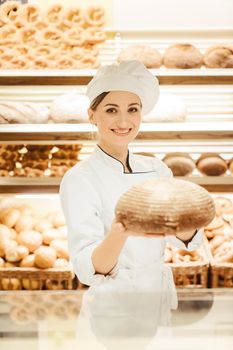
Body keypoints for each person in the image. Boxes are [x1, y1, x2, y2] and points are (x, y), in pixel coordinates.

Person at [59, 60, 204, 339]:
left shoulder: (158, 169)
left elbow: (183, 240)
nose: (124, 122)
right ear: (92, 114)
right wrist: (121, 230)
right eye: (111, 110)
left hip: (158, 306)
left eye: (132, 110)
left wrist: (187, 219)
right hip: (111, 312)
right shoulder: (80, 178)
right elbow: (88, 269)